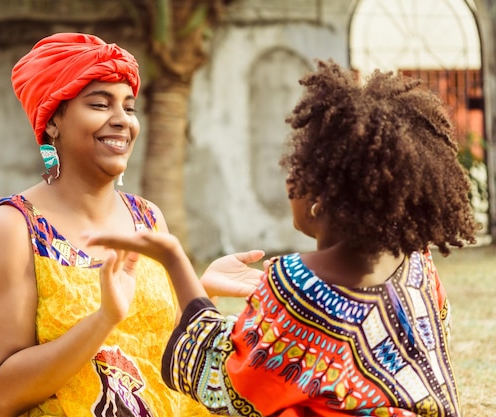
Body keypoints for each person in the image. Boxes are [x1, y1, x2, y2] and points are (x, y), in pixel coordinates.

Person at [86, 60, 478, 416]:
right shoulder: (416, 262)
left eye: (301, 168)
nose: (290, 180)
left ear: (322, 197)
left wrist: (175, 259)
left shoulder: (300, 286)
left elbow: (223, 383)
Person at [0, 32, 264, 417]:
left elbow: (158, 344)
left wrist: (199, 288)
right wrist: (102, 319)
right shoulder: (13, 228)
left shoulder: (148, 218)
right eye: (100, 104)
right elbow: (3, 395)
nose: (121, 121)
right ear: (53, 120)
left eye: (129, 107)